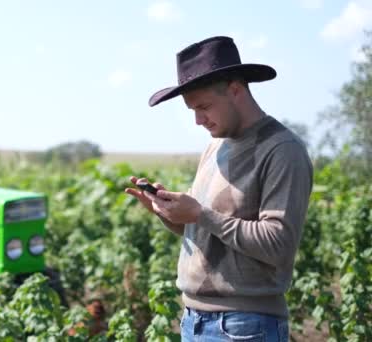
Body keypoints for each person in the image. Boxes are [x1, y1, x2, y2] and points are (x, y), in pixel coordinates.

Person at [125, 36, 312, 341]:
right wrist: (170, 213)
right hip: (194, 320)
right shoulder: (215, 147)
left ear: (235, 89)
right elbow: (209, 231)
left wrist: (199, 214)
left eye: (204, 107)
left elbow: (278, 245)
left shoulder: (281, 150)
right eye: (192, 110)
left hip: (244, 326)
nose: (198, 120)